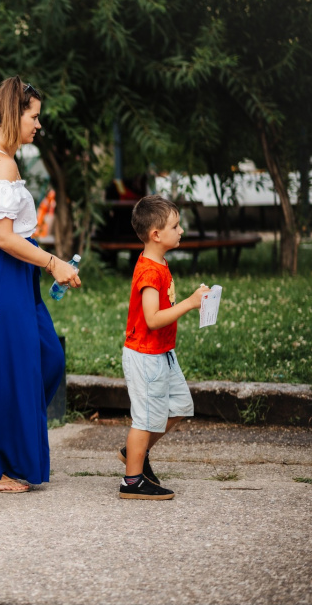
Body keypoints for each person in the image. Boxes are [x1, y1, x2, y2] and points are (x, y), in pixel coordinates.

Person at [0, 77, 81, 493]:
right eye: (34, 116)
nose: (39, 125)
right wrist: (53, 263)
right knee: (1, 369)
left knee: (46, 359)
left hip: (14, 271)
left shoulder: (1, 159)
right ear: (15, 115)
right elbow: (3, 237)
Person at [118, 195, 208, 500]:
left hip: (162, 353)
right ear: (156, 234)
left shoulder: (160, 262)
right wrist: (190, 303)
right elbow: (153, 319)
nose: (181, 230)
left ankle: (135, 450)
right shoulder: (149, 272)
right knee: (145, 419)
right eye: (176, 225)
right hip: (145, 355)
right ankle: (132, 480)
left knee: (179, 407)